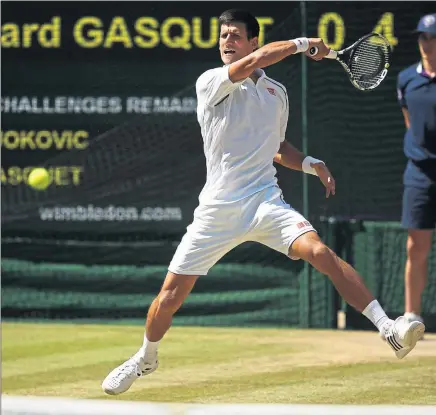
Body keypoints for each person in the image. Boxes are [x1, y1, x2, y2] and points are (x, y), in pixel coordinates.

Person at [102, 9, 425, 395]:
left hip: (264, 201)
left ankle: (388, 329)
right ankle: (145, 357)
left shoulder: (277, 94)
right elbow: (257, 62)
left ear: (252, 39)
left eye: (235, 36)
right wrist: (304, 44)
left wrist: (309, 163)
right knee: (169, 298)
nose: (227, 42)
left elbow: (276, 148)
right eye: (223, 36)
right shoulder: (211, 82)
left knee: (320, 252)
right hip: (217, 210)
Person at [397, 13, 436, 333]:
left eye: (432, 37)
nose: (426, 43)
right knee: (416, 246)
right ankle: (412, 317)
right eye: (422, 37)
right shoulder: (406, 78)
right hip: (419, 174)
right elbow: (410, 121)